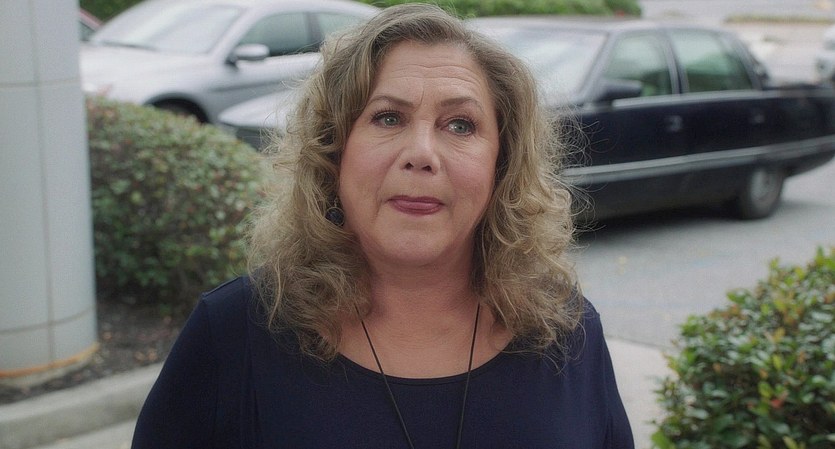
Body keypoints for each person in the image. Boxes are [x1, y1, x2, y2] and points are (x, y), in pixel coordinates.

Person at [132, 3, 634, 448]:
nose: (421, 153)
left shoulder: (566, 330)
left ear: (501, 167)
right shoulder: (232, 334)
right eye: (388, 118)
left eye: (460, 125)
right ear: (333, 152)